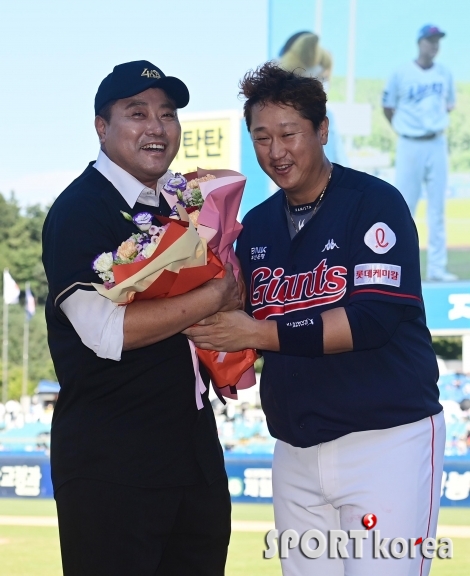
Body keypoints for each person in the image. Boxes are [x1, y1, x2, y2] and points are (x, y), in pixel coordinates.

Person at [185, 63, 445, 575]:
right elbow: (240, 323)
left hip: (386, 441)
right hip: (295, 451)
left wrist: (256, 332)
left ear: (322, 131)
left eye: (289, 134)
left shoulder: (374, 204)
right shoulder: (255, 227)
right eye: (262, 137)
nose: (276, 152)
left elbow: (371, 320)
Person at [42, 60, 240, 576]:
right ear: (101, 127)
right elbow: (104, 333)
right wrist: (217, 293)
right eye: (137, 113)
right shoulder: (81, 209)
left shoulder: (181, 206)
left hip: (192, 455)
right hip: (114, 463)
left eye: (168, 113)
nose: (157, 126)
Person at [383, 24, 456, 282]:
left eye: (437, 40)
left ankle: (437, 268)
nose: (434, 45)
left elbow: (448, 107)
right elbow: (388, 107)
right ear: (420, 43)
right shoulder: (402, 73)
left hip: (436, 143)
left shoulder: (444, 73)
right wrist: (405, 129)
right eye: (430, 40)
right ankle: (400, 268)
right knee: (404, 206)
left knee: (437, 209)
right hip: (409, 144)